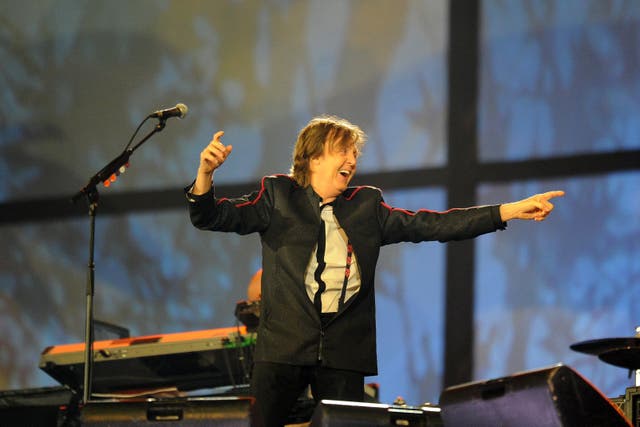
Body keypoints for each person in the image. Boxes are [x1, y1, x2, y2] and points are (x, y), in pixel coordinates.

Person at [185, 115, 564, 427]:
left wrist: (507, 211)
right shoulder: (277, 196)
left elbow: (433, 225)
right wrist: (205, 174)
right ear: (313, 158)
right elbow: (213, 216)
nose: (351, 160)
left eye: (354, 153)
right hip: (282, 347)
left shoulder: (366, 206)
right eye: (341, 151)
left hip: (344, 351)